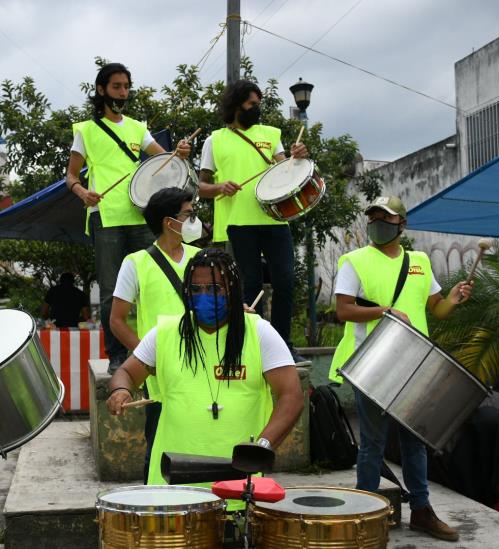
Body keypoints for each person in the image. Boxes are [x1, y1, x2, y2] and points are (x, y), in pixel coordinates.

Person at [328, 196, 474, 542]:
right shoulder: (355, 261)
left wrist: (452, 299)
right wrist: (384, 312)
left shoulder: (420, 261)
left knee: (415, 441)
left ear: (401, 224)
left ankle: (421, 511)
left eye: (386, 218)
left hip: (416, 362)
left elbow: (435, 309)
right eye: (374, 218)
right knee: (373, 443)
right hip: (372, 362)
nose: (378, 223)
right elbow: (343, 311)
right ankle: (363, 512)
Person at [106, 248, 304, 488]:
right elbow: (126, 373)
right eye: (196, 290)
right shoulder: (165, 333)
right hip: (172, 485)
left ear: (232, 289)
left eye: (213, 289)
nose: (204, 296)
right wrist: (120, 390)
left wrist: (262, 447)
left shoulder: (258, 333)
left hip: (238, 485)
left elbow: (291, 396)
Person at [65, 62, 191, 372]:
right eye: (117, 86)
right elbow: (70, 176)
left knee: (152, 282)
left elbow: (164, 160)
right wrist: (83, 193)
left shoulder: (138, 127)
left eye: (126, 86)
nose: (123, 92)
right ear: (101, 90)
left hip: (141, 214)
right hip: (105, 215)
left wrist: (181, 152)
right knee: (110, 290)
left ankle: (153, 346)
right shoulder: (86, 130)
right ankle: (117, 356)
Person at [197, 79, 309, 359]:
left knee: (284, 281)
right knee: (249, 286)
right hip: (237, 223)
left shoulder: (272, 134)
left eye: (258, 104)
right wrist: (220, 188)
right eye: (251, 104)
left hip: (274, 218)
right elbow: (201, 186)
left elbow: (285, 169)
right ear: (236, 106)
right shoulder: (214, 140)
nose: (256, 109)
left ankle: (283, 346)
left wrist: (296, 158)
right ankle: (252, 345)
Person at [110, 187, 202, 480]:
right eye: (188, 214)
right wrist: (147, 357)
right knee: (160, 450)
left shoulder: (202, 259)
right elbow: (117, 320)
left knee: (202, 445)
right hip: (161, 375)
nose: (193, 220)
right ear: (168, 221)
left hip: (203, 367)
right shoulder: (135, 263)